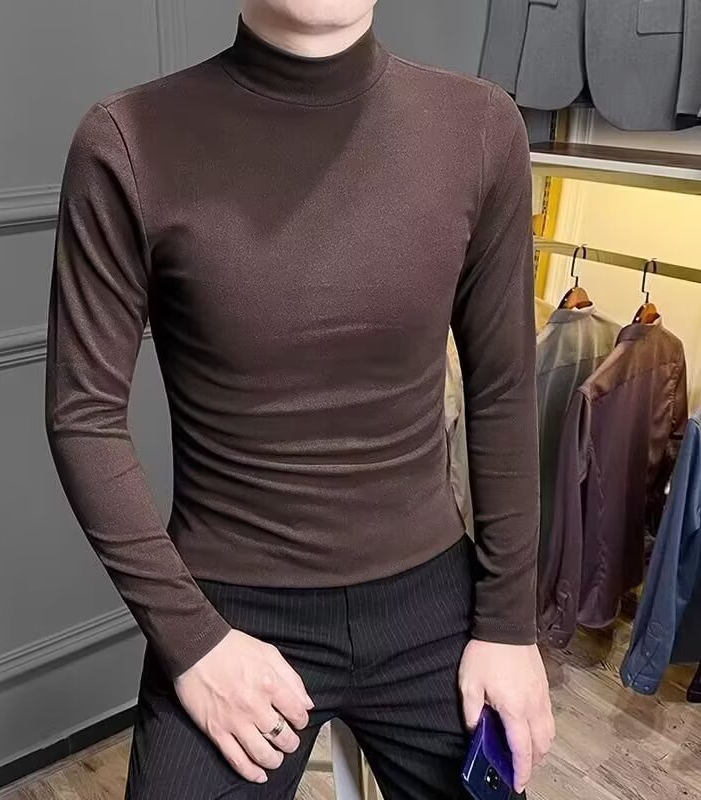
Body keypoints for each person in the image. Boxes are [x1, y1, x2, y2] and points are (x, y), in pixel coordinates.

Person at [44, 1, 555, 797]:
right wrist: (193, 642)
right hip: (230, 612)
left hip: (431, 601)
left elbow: (503, 390)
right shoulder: (127, 141)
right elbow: (84, 416)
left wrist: (509, 627)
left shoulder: (480, 127)